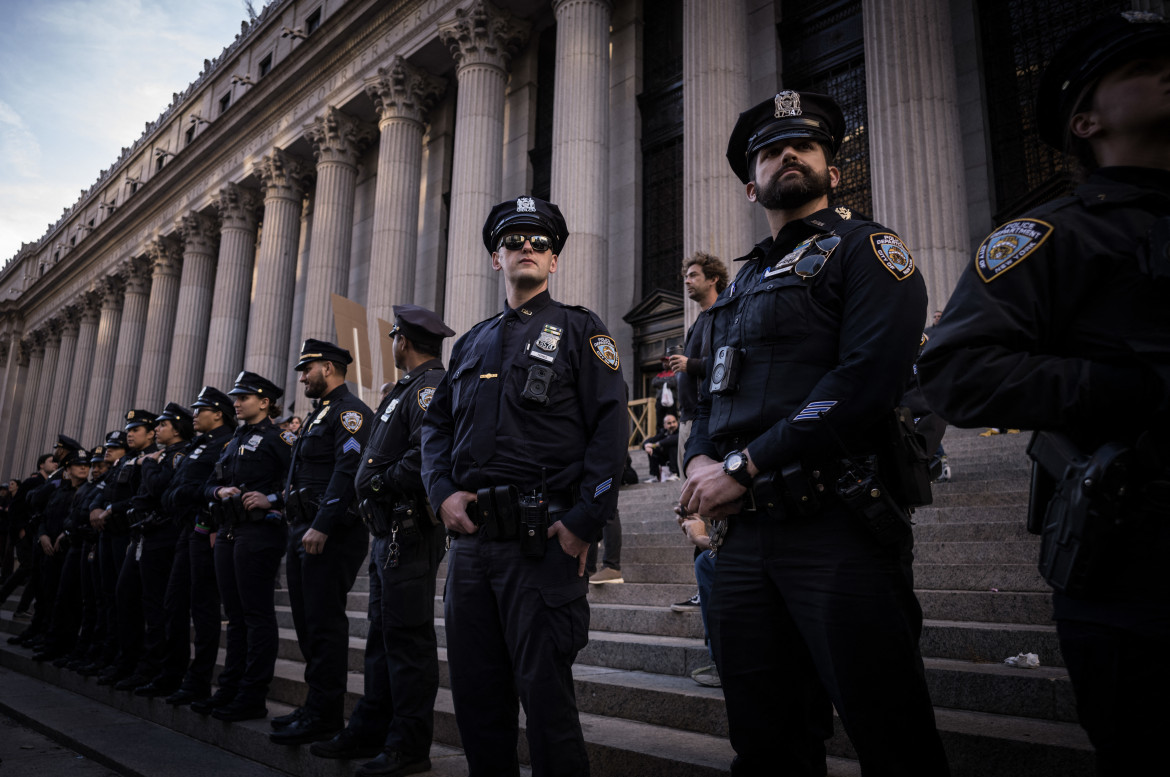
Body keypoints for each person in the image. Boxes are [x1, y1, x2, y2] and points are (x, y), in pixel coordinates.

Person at [917, 13, 1170, 776]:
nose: (1166, 69)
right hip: (1139, 560)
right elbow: (957, 371)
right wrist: (1133, 388)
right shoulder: (1050, 234)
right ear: (1084, 119)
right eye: (1141, 65)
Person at [679, 90, 949, 775]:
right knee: (767, 743)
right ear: (751, 184)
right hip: (745, 545)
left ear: (833, 168)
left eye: (804, 144)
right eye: (771, 151)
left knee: (893, 735)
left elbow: (862, 383)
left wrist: (738, 465)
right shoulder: (736, 289)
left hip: (839, 528)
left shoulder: (868, 250)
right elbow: (704, 397)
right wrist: (699, 461)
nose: (787, 155)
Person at [421, 195, 628, 777]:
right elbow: (436, 428)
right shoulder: (471, 342)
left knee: (547, 703)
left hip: (543, 545)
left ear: (554, 260)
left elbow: (610, 430)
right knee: (477, 701)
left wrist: (587, 519)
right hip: (471, 549)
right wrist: (440, 492)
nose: (528, 249)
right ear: (496, 258)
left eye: (541, 243)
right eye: (515, 241)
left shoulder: (581, 329)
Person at [311, 305, 455, 776]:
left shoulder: (431, 387)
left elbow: (427, 457)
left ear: (404, 340)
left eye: (393, 336)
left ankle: (409, 746)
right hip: (386, 531)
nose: (391, 343)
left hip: (409, 530)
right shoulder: (406, 388)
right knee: (382, 636)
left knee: (408, 641)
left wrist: (375, 483)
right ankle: (371, 728)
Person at [270, 340, 372, 745]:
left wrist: (323, 524)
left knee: (324, 624)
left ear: (327, 368)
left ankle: (326, 713)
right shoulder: (319, 415)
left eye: (306, 370)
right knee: (308, 622)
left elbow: (347, 473)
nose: (301, 378)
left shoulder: (349, 413)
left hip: (328, 533)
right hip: (304, 529)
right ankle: (316, 705)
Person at [193, 372, 293, 721]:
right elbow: (207, 486)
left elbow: (301, 481)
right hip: (228, 530)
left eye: (244, 397)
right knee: (234, 617)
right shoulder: (233, 440)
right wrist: (219, 492)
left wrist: (271, 499)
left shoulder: (281, 437)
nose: (235, 403)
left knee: (255, 615)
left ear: (265, 402)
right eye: (236, 397)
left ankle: (253, 694)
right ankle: (230, 688)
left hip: (260, 534)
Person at [164, 386, 237, 707]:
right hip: (186, 529)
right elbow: (178, 486)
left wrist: (194, 497)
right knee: (174, 603)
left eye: (200, 409)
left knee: (203, 608)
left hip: (205, 528)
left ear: (218, 414)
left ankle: (198, 680)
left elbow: (208, 487)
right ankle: (174, 672)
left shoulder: (225, 442)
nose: (194, 414)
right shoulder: (199, 444)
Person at [93, 410, 158, 687]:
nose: (130, 433)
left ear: (151, 432)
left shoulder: (152, 459)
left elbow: (141, 496)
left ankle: (132, 659)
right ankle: (116, 656)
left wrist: (110, 509)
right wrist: (96, 507)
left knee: (130, 600)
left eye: (137, 429)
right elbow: (104, 489)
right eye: (129, 429)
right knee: (111, 597)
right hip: (110, 534)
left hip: (130, 534)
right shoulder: (126, 461)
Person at [668, 252, 730, 472]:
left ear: (713, 279)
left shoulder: (725, 316)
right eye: (686, 276)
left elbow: (729, 364)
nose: (686, 281)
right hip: (688, 419)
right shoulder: (697, 322)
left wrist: (690, 365)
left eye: (693, 275)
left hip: (709, 421)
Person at [642, 414, 680, 482]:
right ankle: (655, 476)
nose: (672, 425)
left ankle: (675, 474)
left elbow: (673, 439)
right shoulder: (664, 433)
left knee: (672, 445)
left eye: (674, 422)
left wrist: (655, 445)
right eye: (669, 423)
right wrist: (646, 446)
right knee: (652, 450)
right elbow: (649, 440)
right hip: (667, 459)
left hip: (680, 460)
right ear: (664, 425)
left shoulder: (680, 431)